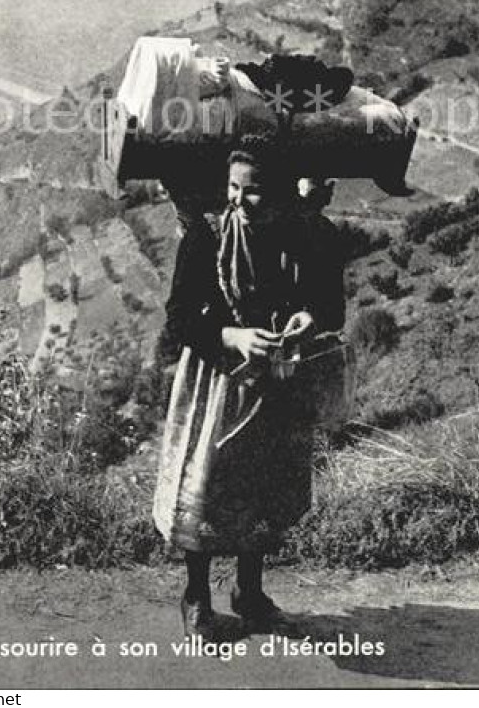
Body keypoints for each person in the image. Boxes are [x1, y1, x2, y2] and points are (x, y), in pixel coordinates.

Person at [152, 147, 345, 639]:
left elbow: (330, 308)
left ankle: (249, 593)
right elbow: (179, 321)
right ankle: (197, 596)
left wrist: (309, 320)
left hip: (278, 382)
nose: (240, 199)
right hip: (218, 382)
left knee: (263, 489)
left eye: (253, 189)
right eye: (234, 187)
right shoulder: (208, 236)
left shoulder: (311, 236)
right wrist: (232, 336)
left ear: (282, 191)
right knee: (209, 486)